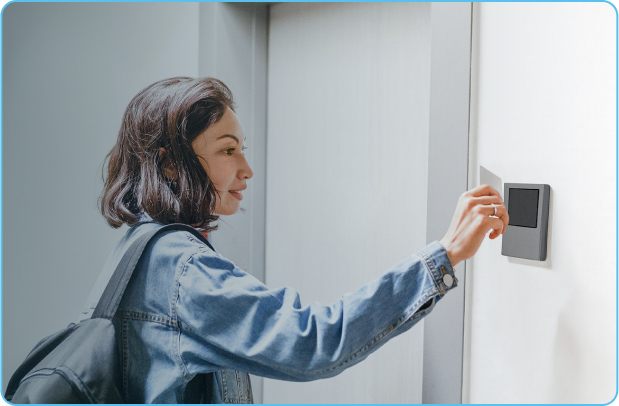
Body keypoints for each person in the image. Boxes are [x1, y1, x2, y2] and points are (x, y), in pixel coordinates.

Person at [80, 77, 509, 403]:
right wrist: (445, 254)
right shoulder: (182, 269)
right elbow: (314, 341)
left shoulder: (139, 247)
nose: (247, 168)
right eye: (228, 150)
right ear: (170, 165)